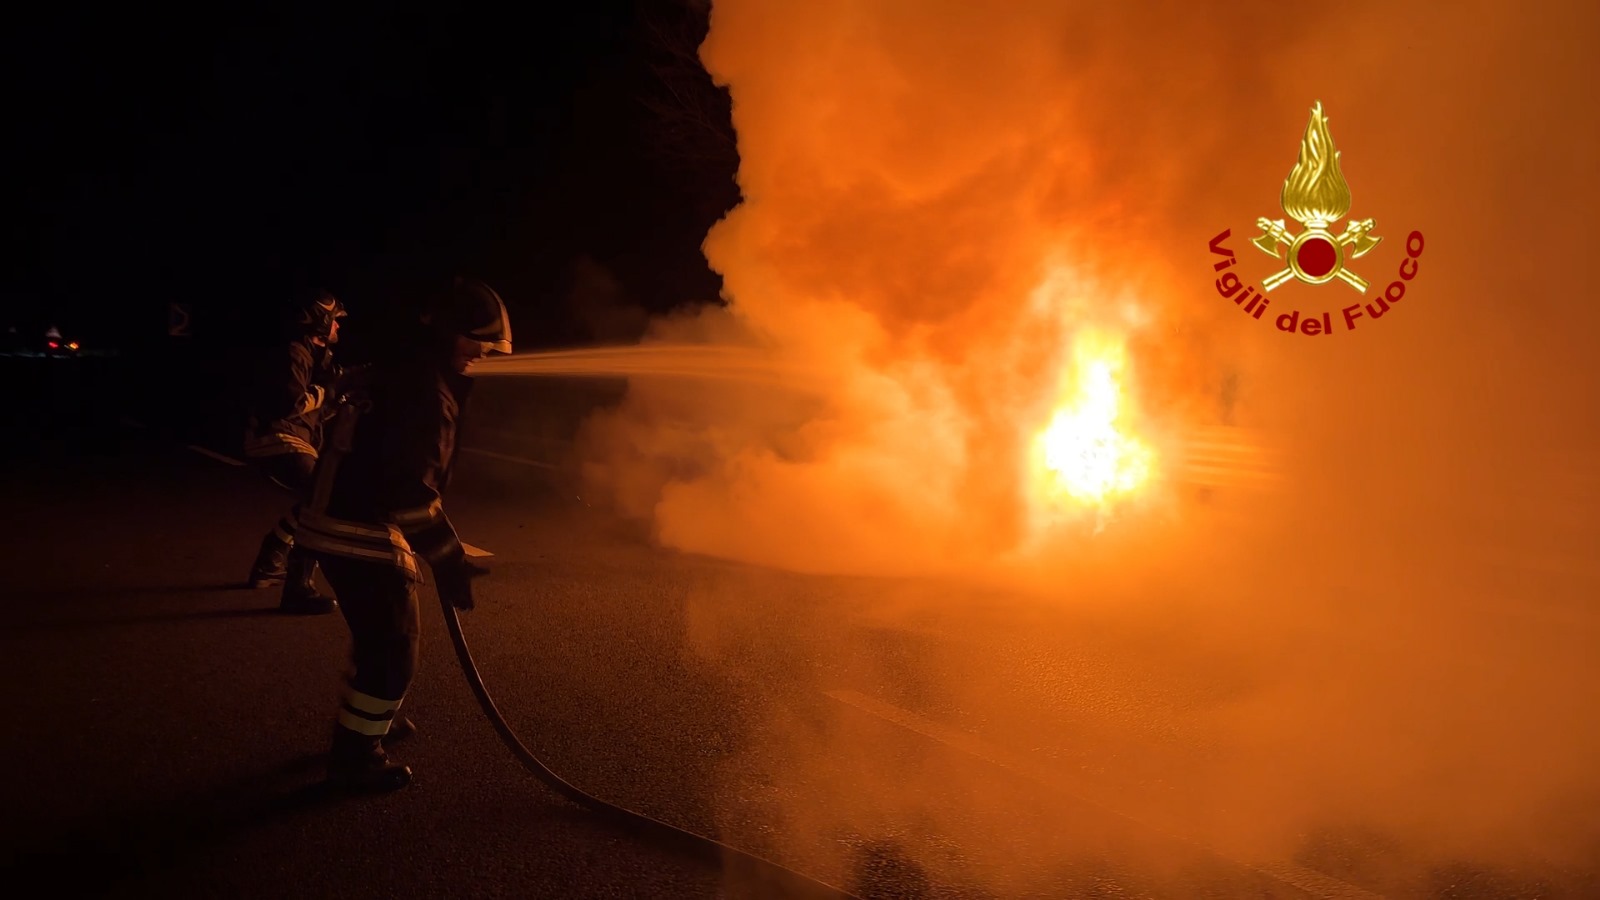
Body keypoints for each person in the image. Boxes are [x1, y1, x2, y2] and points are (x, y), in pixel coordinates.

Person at [295, 277, 512, 791]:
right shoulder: (426, 393)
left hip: (333, 521)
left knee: (376, 639)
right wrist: (449, 558)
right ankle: (354, 757)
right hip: (359, 531)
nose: (481, 353)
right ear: (447, 333)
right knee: (395, 648)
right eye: (473, 340)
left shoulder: (400, 370)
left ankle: (373, 721)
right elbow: (410, 495)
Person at [242, 289, 347, 615]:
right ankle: (297, 587)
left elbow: (313, 409)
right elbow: (289, 402)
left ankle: (271, 561)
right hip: (280, 439)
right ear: (322, 320)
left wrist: (337, 398)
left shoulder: (313, 356)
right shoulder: (295, 351)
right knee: (323, 502)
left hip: (293, 437)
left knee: (319, 499)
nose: (339, 328)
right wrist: (327, 391)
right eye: (336, 322)